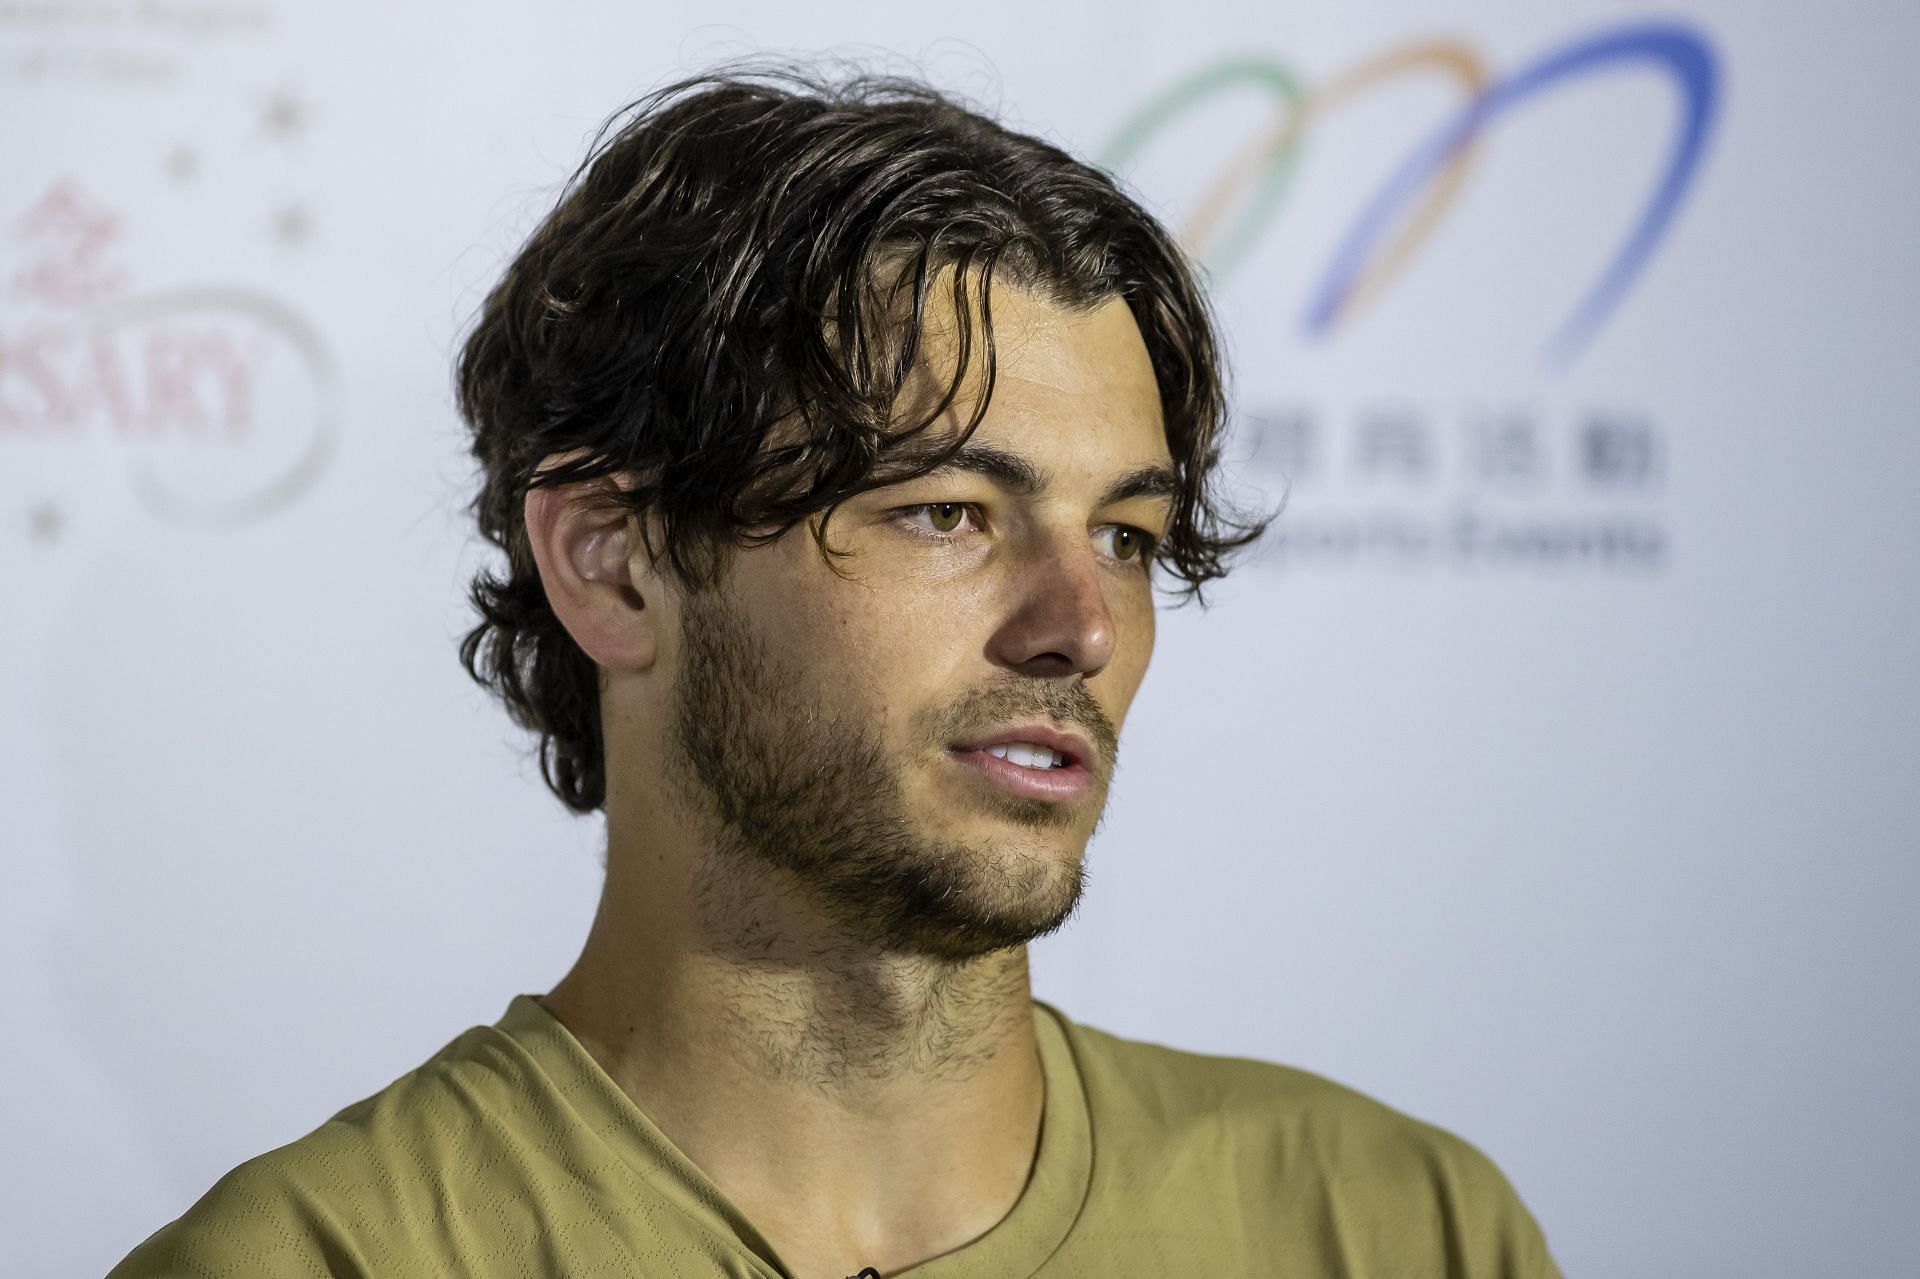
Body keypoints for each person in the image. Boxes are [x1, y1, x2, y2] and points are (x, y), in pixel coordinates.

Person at [108, 62, 1563, 1279]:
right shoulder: (320, 1260)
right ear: (613, 564)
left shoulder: (1390, 1229)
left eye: (1126, 534)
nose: (1082, 627)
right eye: (945, 512)